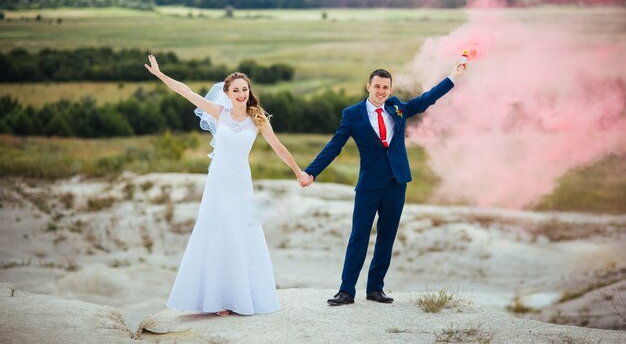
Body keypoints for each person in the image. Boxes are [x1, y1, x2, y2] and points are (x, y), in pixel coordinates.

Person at [144, 54, 312, 316]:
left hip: (241, 183)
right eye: (236, 90)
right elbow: (186, 92)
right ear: (227, 93)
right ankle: (217, 299)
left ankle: (239, 297)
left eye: (245, 89)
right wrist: (160, 74)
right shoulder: (219, 112)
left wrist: (298, 172)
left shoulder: (258, 119)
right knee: (217, 232)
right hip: (218, 182)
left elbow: (279, 148)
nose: (242, 93)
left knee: (241, 233)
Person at [302, 63, 466, 306]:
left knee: (387, 237)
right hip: (369, 185)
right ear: (368, 86)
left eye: (385, 87)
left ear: (390, 89)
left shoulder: (396, 107)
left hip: (397, 182)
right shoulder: (352, 114)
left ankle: (375, 289)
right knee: (359, 236)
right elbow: (334, 146)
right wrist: (311, 172)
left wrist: (453, 77)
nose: (381, 91)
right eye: (377, 86)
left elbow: (426, 99)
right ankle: (346, 291)